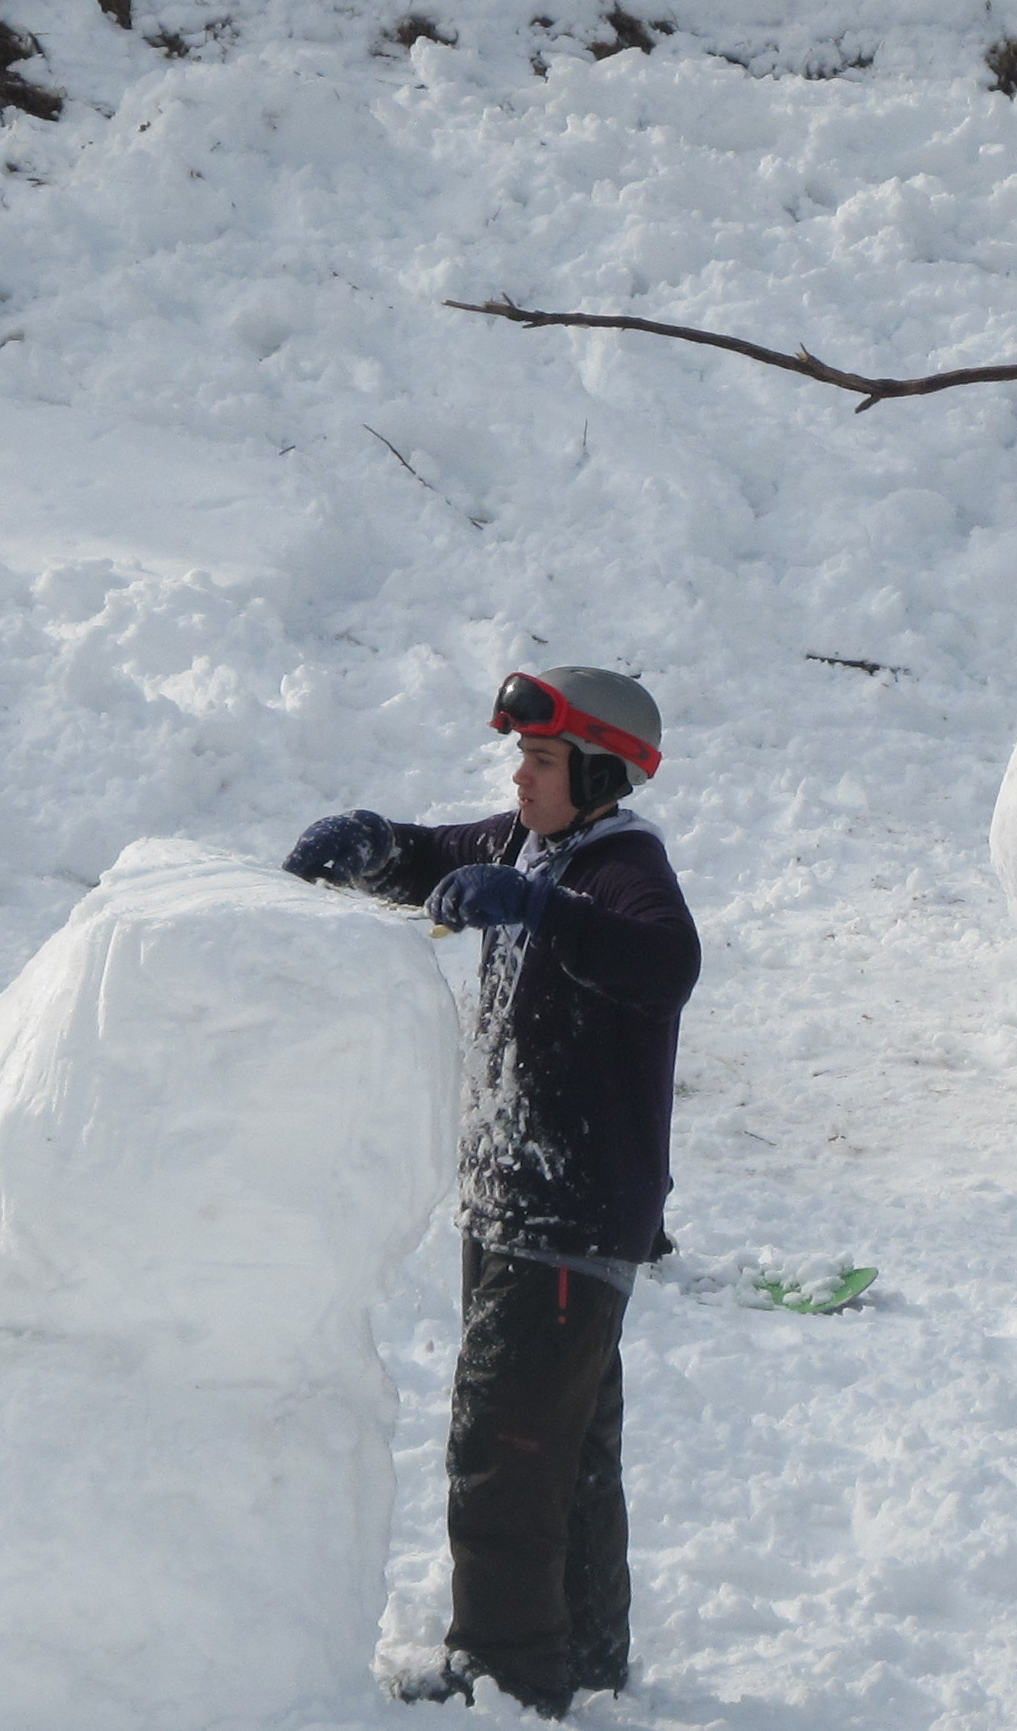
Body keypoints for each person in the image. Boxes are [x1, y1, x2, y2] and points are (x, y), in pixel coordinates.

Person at [287, 667, 702, 1721]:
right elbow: (438, 854)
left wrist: (540, 909)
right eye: (520, 756)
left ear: (598, 774)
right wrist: (372, 843)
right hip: (514, 1199)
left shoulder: (622, 870)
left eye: (542, 760)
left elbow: (666, 961)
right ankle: (586, 1651)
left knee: (504, 1451)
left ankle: (508, 1674)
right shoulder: (529, 844)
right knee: (570, 1446)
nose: (520, 777)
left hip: (569, 1215)